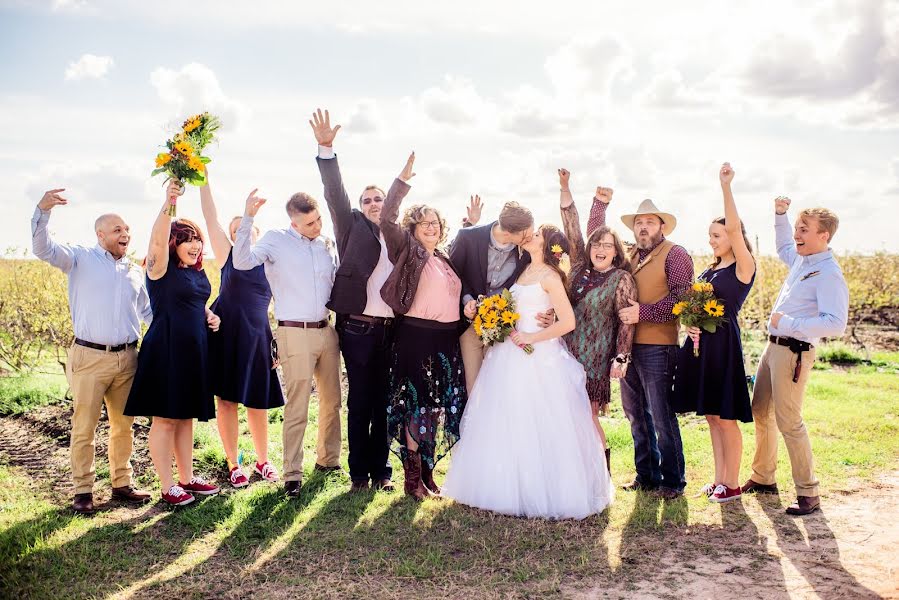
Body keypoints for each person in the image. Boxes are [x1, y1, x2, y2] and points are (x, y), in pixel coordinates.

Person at [442, 224, 614, 520]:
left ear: (547, 245)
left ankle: (542, 487)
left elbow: (568, 321)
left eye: (536, 235)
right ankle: (503, 483)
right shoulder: (522, 271)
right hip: (508, 352)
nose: (529, 236)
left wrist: (532, 337)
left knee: (538, 418)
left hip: (537, 355)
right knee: (507, 418)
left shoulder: (550, 276)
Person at [31, 188, 153, 514]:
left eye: (127, 229)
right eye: (117, 230)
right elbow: (43, 249)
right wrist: (43, 211)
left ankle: (122, 483)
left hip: (127, 357)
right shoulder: (79, 258)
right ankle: (83, 491)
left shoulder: (134, 271)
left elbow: (147, 313)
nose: (125, 234)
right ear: (100, 235)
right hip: (89, 358)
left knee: (123, 426)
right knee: (84, 426)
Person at [232, 181, 341, 498]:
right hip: (294, 332)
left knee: (333, 402)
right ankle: (292, 473)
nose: (317, 226)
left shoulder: (326, 244)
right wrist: (248, 218)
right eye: (309, 223)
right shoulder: (275, 241)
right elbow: (242, 262)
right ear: (293, 222)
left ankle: (328, 463)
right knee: (298, 405)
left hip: (327, 330)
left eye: (318, 219)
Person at [742, 198, 848, 516]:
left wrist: (788, 323)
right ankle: (763, 478)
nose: (797, 235)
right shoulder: (803, 259)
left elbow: (836, 323)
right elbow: (783, 245)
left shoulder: (828, 273)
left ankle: (808, 492)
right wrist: (780, 215)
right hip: (773, 347)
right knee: (760, 409)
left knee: (789, 421)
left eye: (804, 230)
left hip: (794, 352)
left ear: (824, 235)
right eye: (797, 229)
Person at [124, 181, 222, 506]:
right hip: (166, 350)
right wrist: (170, 201)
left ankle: (187, 477)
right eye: (187, 239)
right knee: (165, 418)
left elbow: (192, 300)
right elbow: (155, 239)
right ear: (173, 243)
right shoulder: (160, 269)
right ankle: (167, 486)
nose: (195, 245)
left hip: (195, 350)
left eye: (198, 240)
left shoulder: (195, 272)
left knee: (185, 416)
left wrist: (209, 315)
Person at [379, 153, 467, 501]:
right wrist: (400, 182)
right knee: (415, 404)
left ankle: (428, 476)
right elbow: (386, 218)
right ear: (413, 228)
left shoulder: (445, 259)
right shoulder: (408, 250)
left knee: (434, 406)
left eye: (435, 223)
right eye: (424, 223)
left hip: (446, 339)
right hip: (416, 336)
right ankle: (411, 480)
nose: (431, 228)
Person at [671, 163, 756, 503]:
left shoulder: (743, 265)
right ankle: (719, 479)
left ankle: (732, 483)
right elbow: (697, 306)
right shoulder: (710, 268)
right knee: (710, 416)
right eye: (710, 235)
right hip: (700, 347)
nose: (712, 240)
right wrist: (689, 322)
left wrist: (725, 187)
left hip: (723, 347)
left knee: (725, 416)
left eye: (717, 235)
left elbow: (734, 230)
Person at [601, 196, 693, 498]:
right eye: (638, 223)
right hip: (628, 348)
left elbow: (682, 298)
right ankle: (647, 475)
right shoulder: (631, 256)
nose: (643, 227)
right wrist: (598, 206)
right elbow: (595, 242)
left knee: (662, 415)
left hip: (658, 346)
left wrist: (645, 312)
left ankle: (673, 480)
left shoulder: (675, 254)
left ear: (661, 226)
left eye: (649, 222)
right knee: (636, 415)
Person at [199, 170, 284, 489]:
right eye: (235, 231)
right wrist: (204, 178)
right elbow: (211, 217)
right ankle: (234, 464)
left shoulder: (270, 260)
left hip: (258, 335)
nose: (240, 234)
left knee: (258, 401)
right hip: (225, 333)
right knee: (227, 401)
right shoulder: (229, 256)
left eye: (246, 229)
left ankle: (263, 461)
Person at [557, 169, 637, 476]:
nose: (600, 249)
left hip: (596, 355)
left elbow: (627, 322)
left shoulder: (621, 279)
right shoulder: (578, 268)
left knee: (588, 414)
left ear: (616, 252)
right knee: (565, 413)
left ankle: (600, 473)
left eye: (607, 245)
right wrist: (565, 188)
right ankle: (572, 470)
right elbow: (571, 225)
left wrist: (621, 357)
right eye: (596, 245)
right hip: (565, 353)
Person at [449, 200, 534, 394]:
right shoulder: (467, 237)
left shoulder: (525, 251)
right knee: (472, 389)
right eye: (525, 234)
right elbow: (452, 276)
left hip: (504, 330)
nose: (529, 237)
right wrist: (467, 300)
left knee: (497, 390)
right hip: (468, 327)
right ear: (507, 234)